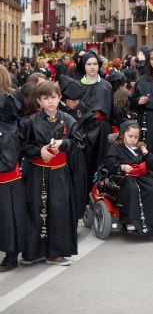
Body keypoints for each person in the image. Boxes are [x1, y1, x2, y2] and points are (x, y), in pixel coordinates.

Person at [21, 81, 85, 266]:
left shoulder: (69, 120)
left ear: (59, 98)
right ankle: (33, 252)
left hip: (59, 173)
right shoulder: (31, 121)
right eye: (45, 98)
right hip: (36, 172)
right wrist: (38, 151)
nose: (50, 101)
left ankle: (56, 253)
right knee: (35, 208)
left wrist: (63, 144)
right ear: (39, 101)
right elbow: (24, 146)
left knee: (59, 210)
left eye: (53, 97)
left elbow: (79, 143)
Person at [100, 120, 153, 236]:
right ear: (123, 134)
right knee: (132, 189)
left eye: (136, 137)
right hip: (123, 177)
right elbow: (108, 164)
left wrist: (146, 153)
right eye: (130, 136)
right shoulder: (116, 148)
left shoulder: (141, 149)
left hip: (141, 176)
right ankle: (130, 221)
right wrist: (122, 166)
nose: (133, 139)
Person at [0, 68, 26, 272]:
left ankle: (11, 255)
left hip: (5, 167)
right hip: (7, 164)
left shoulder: (6, 102)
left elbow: (9, 136)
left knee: (8, 214)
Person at [78, 50, 113, 191]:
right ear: (84, 66)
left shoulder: (106, 86)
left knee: (100, 162)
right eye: (89, 64)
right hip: (83, 131)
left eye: (95, 64)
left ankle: (98, 192)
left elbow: (110, 109)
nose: (92, 67)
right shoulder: (78, 85)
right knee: (85, 163)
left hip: (102, 132)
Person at [58, 75, 88, 219]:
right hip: (62, 156)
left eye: (78, 100)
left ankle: (75, 217)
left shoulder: (81, 107)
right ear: (64, 99)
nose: (76, 103)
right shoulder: (57, 110)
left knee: (77, 189)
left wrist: (84, 135)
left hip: (76, 155)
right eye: (73, 100)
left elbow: (90, 123)